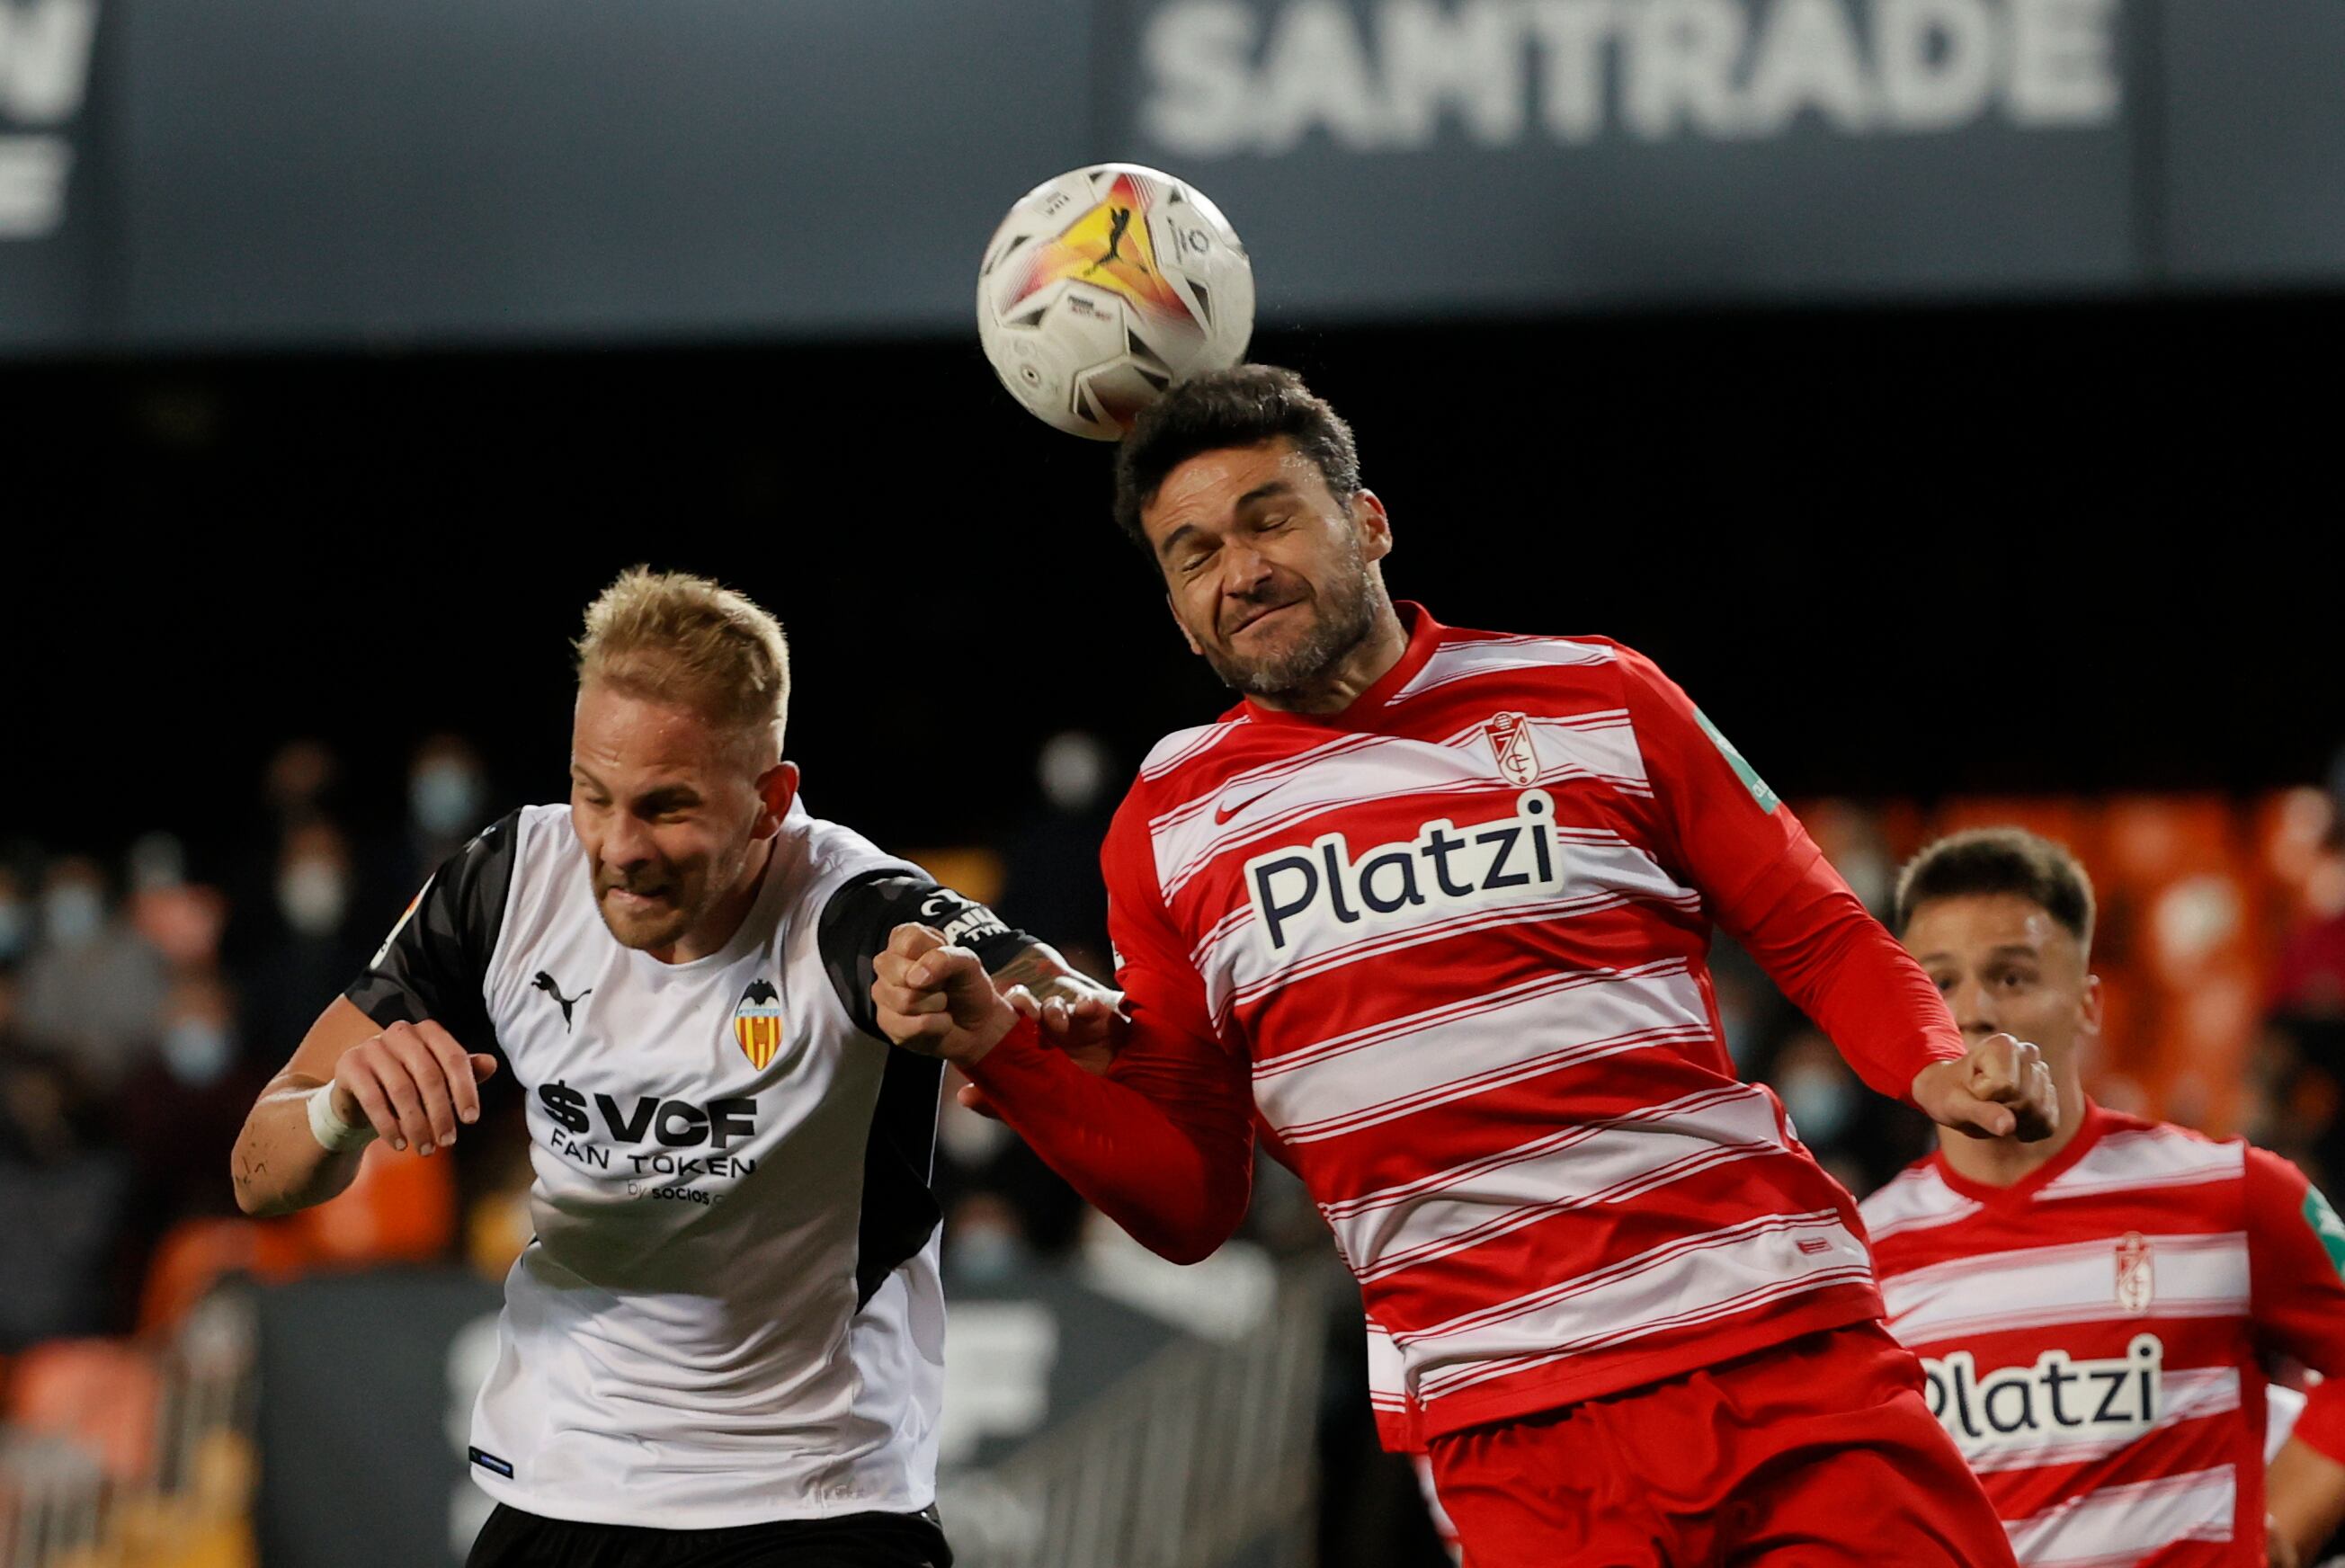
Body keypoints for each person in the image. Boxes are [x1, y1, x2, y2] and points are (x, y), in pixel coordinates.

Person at [870, 364, 2053, 1566]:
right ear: (1178, 609)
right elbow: (1190, 1203)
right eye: (1195, 554)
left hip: (1776, 1350)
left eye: (1271, 518)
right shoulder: (1165, 828)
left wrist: (1938, 1063)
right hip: (1509, 1435)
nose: (1242, 572)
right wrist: (1005, 1057)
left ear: (1367, 521)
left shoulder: (1599, 695)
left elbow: (1817, 928)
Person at [229, 567, 1108, 1568]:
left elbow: (1068, 999)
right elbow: (257, 1167)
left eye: (668, 807)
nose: (617, 846)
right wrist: (343, 1108)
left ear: (772, 800)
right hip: (562, 1488)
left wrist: (1013, 1012)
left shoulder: (853, 908)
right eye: (592, 793)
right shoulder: (505, 881)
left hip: (817, 1505)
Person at [1861, 828, 2345, 1568]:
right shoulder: (1859, 1257)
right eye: (1939, 981)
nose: (1974, 1011)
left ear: (2088, 1005)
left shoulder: (2231, 1193)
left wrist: (2286, 1525)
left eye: (2013, 977)